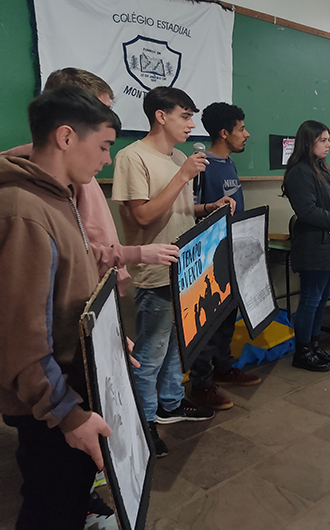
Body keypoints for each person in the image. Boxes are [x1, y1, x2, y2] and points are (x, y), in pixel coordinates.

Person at [0, 86, 119, 529]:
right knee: (51, 508)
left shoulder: (58, 195)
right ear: (66, 136)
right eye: (103, 146)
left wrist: (106, 341)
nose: (107, 159)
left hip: (68, 388)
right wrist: (69, 415)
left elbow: (69, 295)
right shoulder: (24, 210)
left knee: (67, 498)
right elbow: (21, 339)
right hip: (51, 404)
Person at [112, 87, 235, 457]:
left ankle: (170, 402)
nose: (191, 124)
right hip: (156, 273)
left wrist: (208, 207)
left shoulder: (179, 156)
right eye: (185, 116)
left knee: (175, 349)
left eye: (191, 116)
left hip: (186, 269)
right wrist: (182, 176)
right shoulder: (132, 157)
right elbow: (143, 216)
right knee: (150, 353)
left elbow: (177, 209)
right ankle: (144, 422)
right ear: (161, 116)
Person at [0, 68, 179, 293]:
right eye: (99, 112)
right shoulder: (24, 203)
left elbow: (77, 248)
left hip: (97, 290)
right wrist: (136, 253)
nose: (107, 159)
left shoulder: (76, 172)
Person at [188, 102, 262, 411]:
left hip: (233, 251)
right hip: (209, 256)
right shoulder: (202, 166)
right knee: (207, 321)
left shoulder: (229, 163)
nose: (246, 134)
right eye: (241, 129)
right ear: (223, 133)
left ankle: (223, 366)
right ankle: (201, 383)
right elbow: (190, 210)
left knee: (228, 316)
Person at [282, 120, 330, 369]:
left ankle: (314, 346)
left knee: (323, 298)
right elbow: (308, 212)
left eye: (328, 139)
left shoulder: (321, 169)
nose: (328, 144)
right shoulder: (300, 172)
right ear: (308, 143)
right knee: (310, 299)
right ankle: (302, 352)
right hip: (314, 247)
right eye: (323, 140)